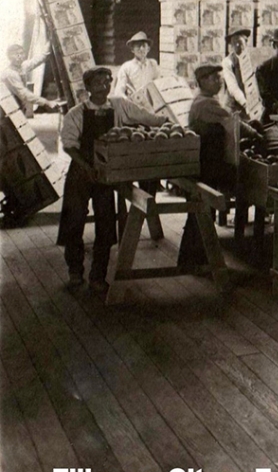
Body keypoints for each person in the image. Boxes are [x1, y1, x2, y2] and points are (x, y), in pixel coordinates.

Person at [57, 67, 167, 293]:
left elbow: (145, 117)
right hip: (80, 171)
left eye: (107, 82)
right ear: (87, 88)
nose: (104, 87)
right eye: (98, 83)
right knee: (74, 220)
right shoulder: (76, 114)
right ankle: (75, 271)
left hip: (106, 173)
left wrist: (165, 121)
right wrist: (87, 167)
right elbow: (69, 145)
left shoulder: (118, 105)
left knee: (106, 224)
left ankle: (98, 275)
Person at [179, 64, 260, 265]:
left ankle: (194, 259)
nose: (219, 81)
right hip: (206, 163)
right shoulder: (205, 103)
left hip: (206, 162)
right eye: (214, 78)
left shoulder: (206, 100)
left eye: (219, 77)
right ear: (202, 82)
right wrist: (256, 133)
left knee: (200, 211)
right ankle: (193, 260)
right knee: (201, 211)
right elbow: (231, 121)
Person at [3, 43, 56, 115]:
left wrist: (50, 42)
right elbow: (24, 94)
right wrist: (46, 102)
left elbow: (38, 60)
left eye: (21, 53)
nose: (19, 56)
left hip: (16, 105)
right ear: (9, 57)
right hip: (5, 107)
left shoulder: (22, 66)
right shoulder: (10, 73)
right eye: (15, 54)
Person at [111, 31, 161, 98]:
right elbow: (119, 91)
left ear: (148, 49)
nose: (141, 49)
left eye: (143, 46)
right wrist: (128, 102)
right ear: (132, 49)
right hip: (134, 102)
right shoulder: (126, 67)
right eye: (138, 46)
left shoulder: (153, 64)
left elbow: (159, 85)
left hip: (152, 103)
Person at [220, 27, 253, 115]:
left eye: (242, 42)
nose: (239, 46)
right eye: (235, 42)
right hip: (232, 107)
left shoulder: (250, 60)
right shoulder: (227, 62)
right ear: (231, 45)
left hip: (249, 105)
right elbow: (233, 87)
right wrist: (245, 104)